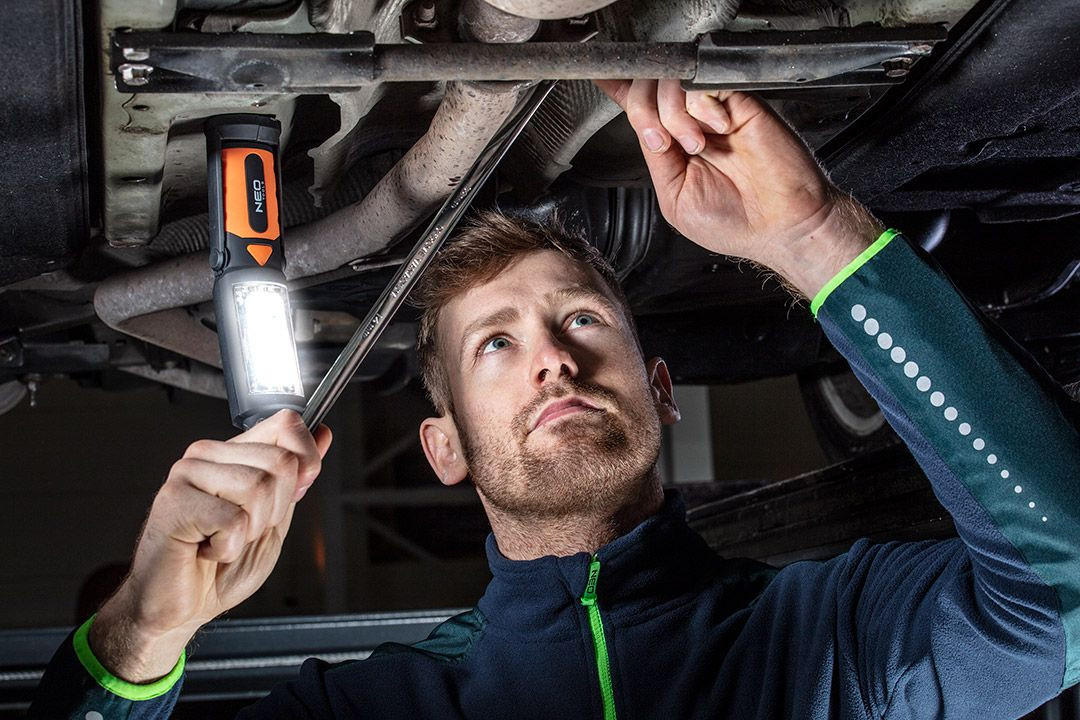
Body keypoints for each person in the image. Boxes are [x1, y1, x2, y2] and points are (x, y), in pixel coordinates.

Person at [31, 80, 1080, 719]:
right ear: (444, 447)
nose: (553, 361)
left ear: (661, 392)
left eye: (581, 320)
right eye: (497, 342)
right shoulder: (374, 710)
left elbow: (1064, 592)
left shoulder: (834, 640)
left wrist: (814, 237)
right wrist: (140, 638)